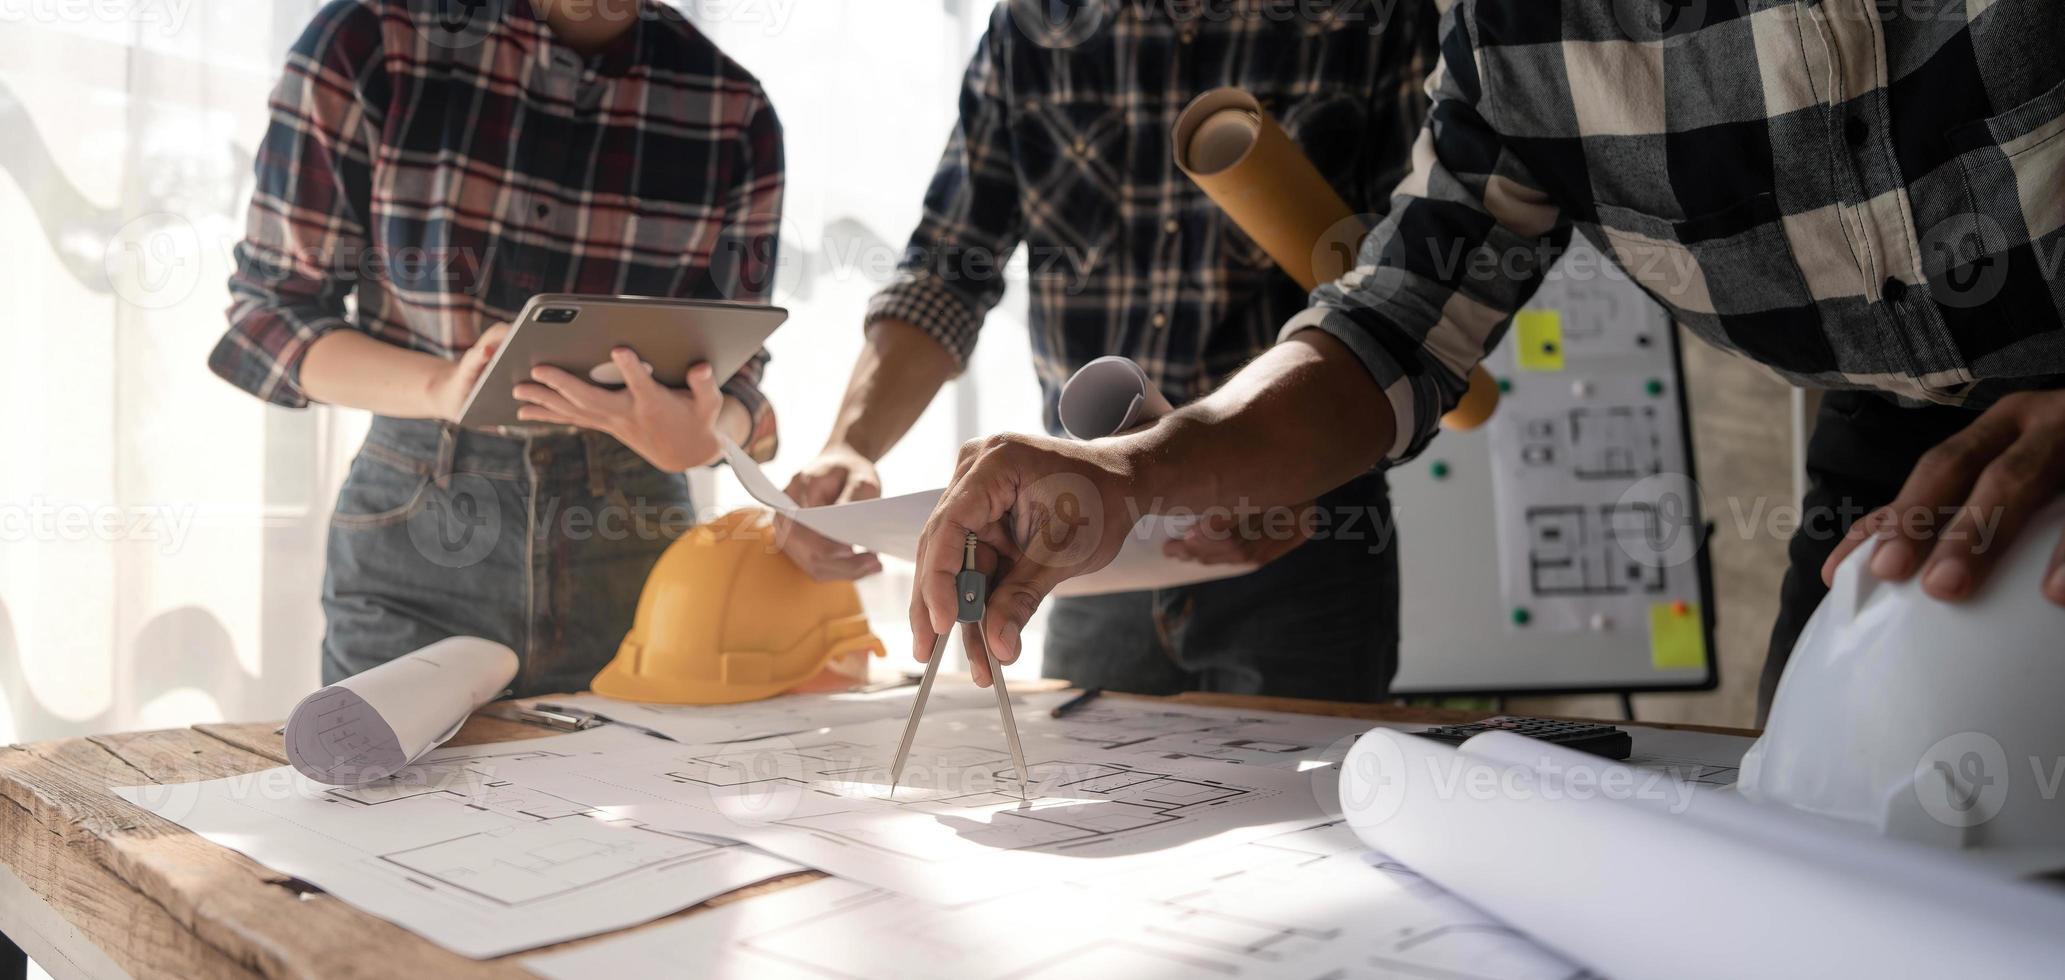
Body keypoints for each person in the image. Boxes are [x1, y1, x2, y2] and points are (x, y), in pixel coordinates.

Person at [907, 0, 2065, 715]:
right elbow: (1391, 322)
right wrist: (1138, 470)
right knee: (1828, 851)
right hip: (1886, 461)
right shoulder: (1513, 32)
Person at [778, 0, 1438, 701]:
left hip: (1301, 547)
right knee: (1091, 802)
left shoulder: (1374, 18)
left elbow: (1407, 301)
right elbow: (946, 272)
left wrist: (1285, 474)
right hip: (1087, 544)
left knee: (1315, 805)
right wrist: (851, 445)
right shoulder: (1031, 26)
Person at [209, 0, 783, 696]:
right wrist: (441, 386)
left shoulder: (734, 110)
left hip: (635, 529)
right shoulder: (373, 37)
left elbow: (738, 378)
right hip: (418, 511)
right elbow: (271, 313)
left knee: (637, 797)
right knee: (383, 797)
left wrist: (707, 438)